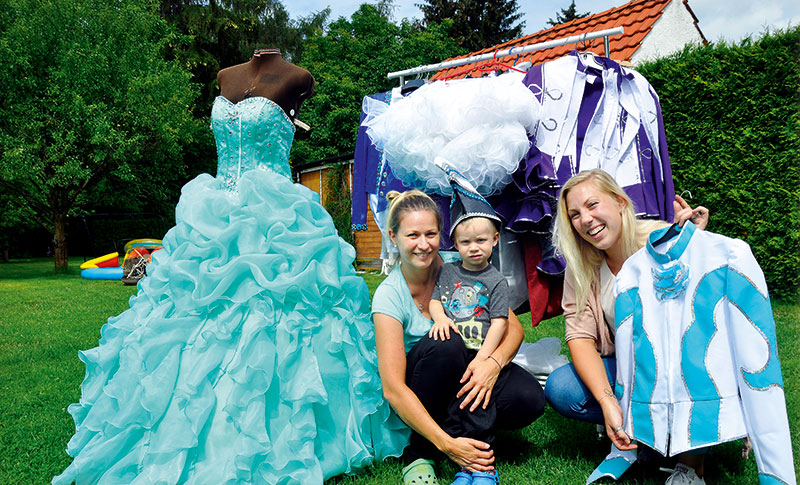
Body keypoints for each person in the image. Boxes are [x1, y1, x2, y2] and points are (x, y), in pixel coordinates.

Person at [53, 50, 408, 485]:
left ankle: (281, 430)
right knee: (187, 321)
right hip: (214, 216)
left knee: (278, 319)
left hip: (277, 221)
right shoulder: (225, 75)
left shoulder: (298, 78)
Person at [544, 169, 709, 484]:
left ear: (620, 201)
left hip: (680, 364)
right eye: (575, 214)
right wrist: (608, 402)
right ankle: (638, 434)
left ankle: (690, 464)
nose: (586, 219)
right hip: (625, 369)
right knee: (562, 388)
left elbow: (701, 315)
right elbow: (579, 337)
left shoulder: (662, 239)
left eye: (593, 205)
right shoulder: (582, 264)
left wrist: (693, 241)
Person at [372, 189, 545, 485]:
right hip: (423, 386)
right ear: (393, 236)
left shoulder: (462, 266)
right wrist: (445, 444)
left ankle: (472, 443)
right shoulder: (389, 296)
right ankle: (422, 451)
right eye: (413, 235)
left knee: (527, 397)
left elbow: (513, 327)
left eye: (431, 234)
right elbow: (393, 389)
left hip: (469, 370)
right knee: (448, 342)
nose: (424, 245)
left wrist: (491, 365)